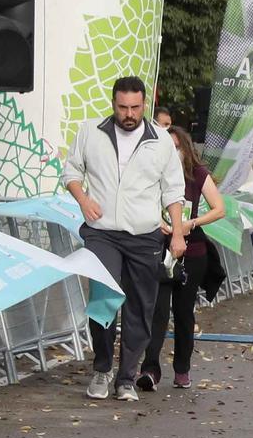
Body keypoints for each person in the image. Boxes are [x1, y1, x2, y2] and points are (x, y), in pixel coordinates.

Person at [63, 76, 187, 403]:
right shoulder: (91, 131)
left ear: (144, 104)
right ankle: (102, 368)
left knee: (140, 307)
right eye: (122, 107)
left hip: (144, 235)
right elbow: (72, 172)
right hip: (102, 231)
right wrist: (83, 199)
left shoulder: (160, 140)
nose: (128, 114)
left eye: (134, 107)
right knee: (104, 297)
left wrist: (176, 232)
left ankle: (127, 377)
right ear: (113, 103)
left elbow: (173, 190)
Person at [142, 126, 226, 388]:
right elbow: (142, 202)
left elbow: (219, 209)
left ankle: (182, 369)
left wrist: (191, 223)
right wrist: (158, 222)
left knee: (183, 312)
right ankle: (150, 369)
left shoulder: (198, 174)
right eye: (168, 145)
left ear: (185, 149)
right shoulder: (154, 174)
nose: (172, 152)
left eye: (176, 146)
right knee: (157, 310)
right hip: (161, 249)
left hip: (193, 253)